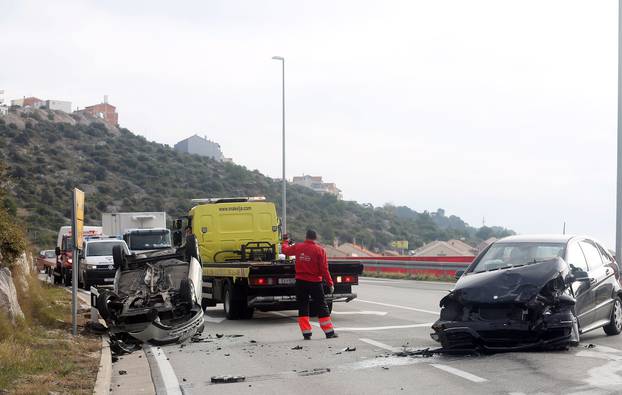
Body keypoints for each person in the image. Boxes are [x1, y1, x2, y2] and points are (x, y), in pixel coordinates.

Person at [281, 229, 337, 340]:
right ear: (315, 238)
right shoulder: (320, 250)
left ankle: (306, 333)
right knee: (321, 306)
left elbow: (285, 251)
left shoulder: (298, 247)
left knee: (303, 306)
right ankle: (329, 333)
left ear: (306, 237)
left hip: (300, 282)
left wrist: (285, 241)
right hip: (315, 282)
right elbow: (324, 269)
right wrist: (330, 283)